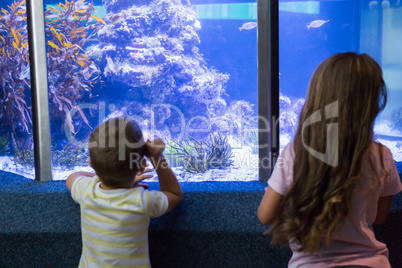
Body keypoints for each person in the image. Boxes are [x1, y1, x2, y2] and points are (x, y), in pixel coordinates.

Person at [258, 52, 402, 268]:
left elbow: (265, 215)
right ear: (371, 103)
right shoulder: (382, 155)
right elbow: (380, 217)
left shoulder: (296, 153)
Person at [66, 116, 183, 268]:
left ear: (90, 163)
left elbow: (72, 177)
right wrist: (157, 158)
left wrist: (107, 175)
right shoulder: (142, 201)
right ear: (142, 165)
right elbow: (174, 194)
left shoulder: (87, 191)